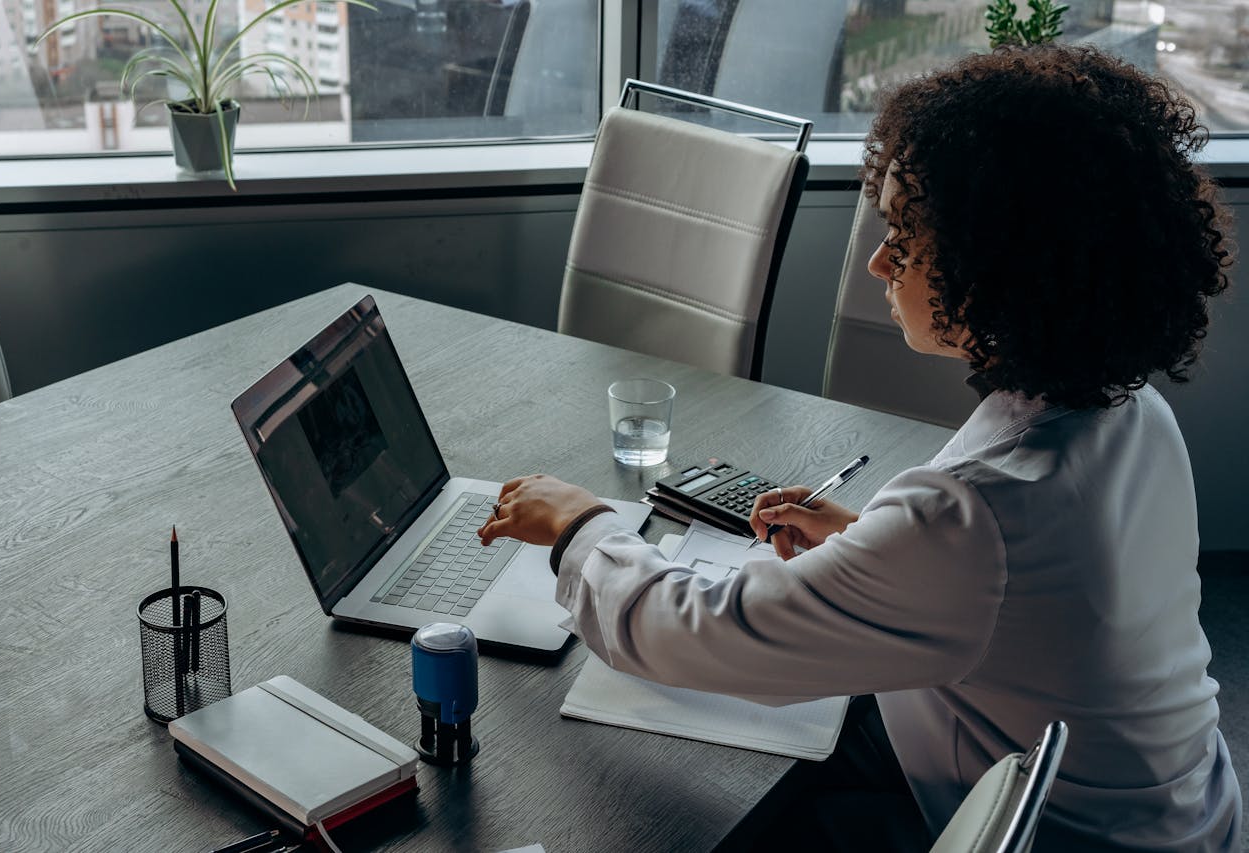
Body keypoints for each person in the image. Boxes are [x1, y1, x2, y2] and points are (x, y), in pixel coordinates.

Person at [477, 44, 1241, 851]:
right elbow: (1044, 608)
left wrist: (580, 526)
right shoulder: (1132, 416)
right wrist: (866, 549)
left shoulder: (972, 516)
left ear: (1002, 271)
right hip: (1179, 814)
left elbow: (705, 633)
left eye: (907, 242)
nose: (879, 260)